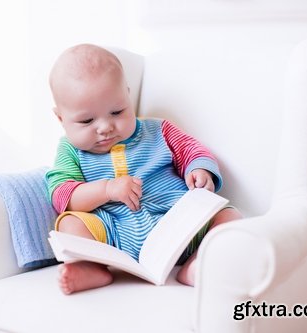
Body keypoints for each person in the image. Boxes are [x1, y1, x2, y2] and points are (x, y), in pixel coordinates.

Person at [46, 44, 241, 295]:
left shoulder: (159, 130)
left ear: (127, 96)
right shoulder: (70, 150)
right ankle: (92, 267)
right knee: (69, 223)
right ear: (61, 118)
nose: (105, 127)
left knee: (229, 215)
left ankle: (198, 262)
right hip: (113, 233)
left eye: (117, 111)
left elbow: (191, 149)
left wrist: (200, 170)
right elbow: (63, 196)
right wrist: (107, 190)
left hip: (178, 224)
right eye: (87, 120)